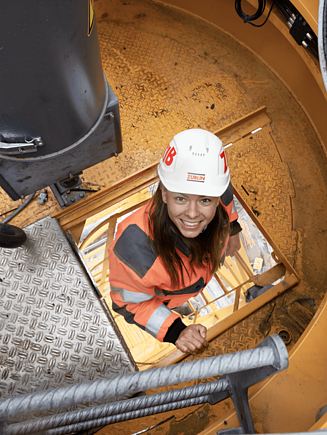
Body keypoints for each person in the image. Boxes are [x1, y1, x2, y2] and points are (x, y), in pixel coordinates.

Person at [108, 129, 242, 354]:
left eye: (205, 200)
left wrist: (233, 228)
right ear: (163, 194)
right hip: (169, 299)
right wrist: (175, 329)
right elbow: (130, 303)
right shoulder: (134, 250)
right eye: (181, 198)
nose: (192, 214)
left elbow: (227, 200)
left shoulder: (218, 185)